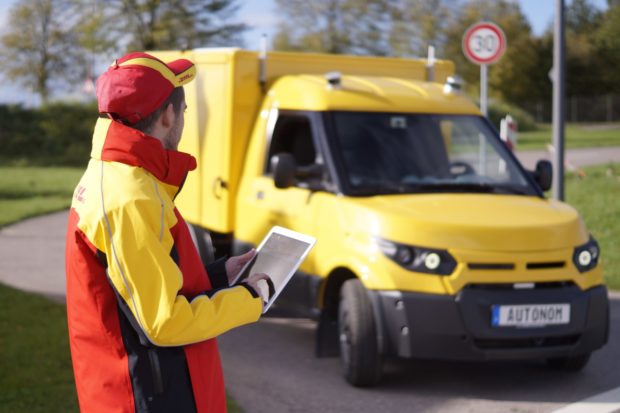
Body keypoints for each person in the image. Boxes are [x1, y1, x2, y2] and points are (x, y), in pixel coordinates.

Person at [65, 52, 270, 413]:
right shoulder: (129, 197)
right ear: (168, 116)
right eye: (185, 111)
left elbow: (143, 286)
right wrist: (250, 298)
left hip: (146, 386)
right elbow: (164, 322)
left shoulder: (121, 177)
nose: (183, 120)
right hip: (147, 395)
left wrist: (221, 275)